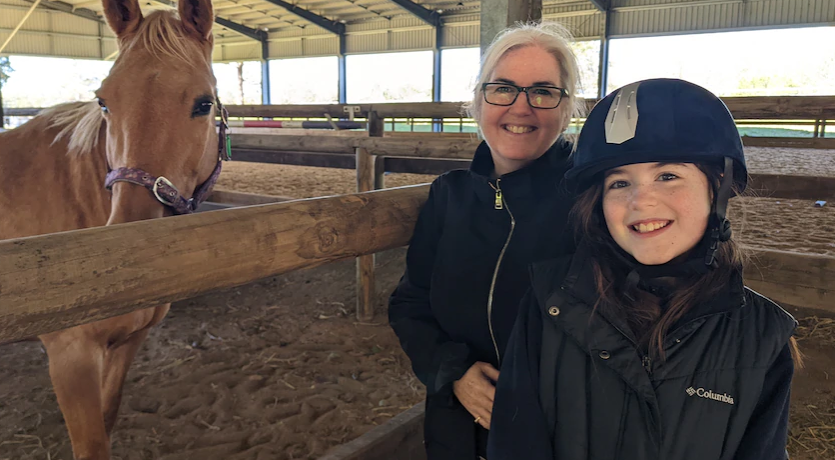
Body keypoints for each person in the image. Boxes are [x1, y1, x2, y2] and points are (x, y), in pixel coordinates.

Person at [487, 78, 802, 460]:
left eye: (668, 176)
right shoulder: (548, 301)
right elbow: (516, 441)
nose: (640, 200)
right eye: (619, 183)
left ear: (717, 187)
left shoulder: (762, 335)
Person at [388, 22, 583, 460]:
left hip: (558, 437)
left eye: (543, 92)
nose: (521, 107)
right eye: (503, 88)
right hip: (455, 429)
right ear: (479, 100)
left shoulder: (591, 201)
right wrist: (453, 372)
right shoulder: (449, 195)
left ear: (566, 108)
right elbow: (410, 303)